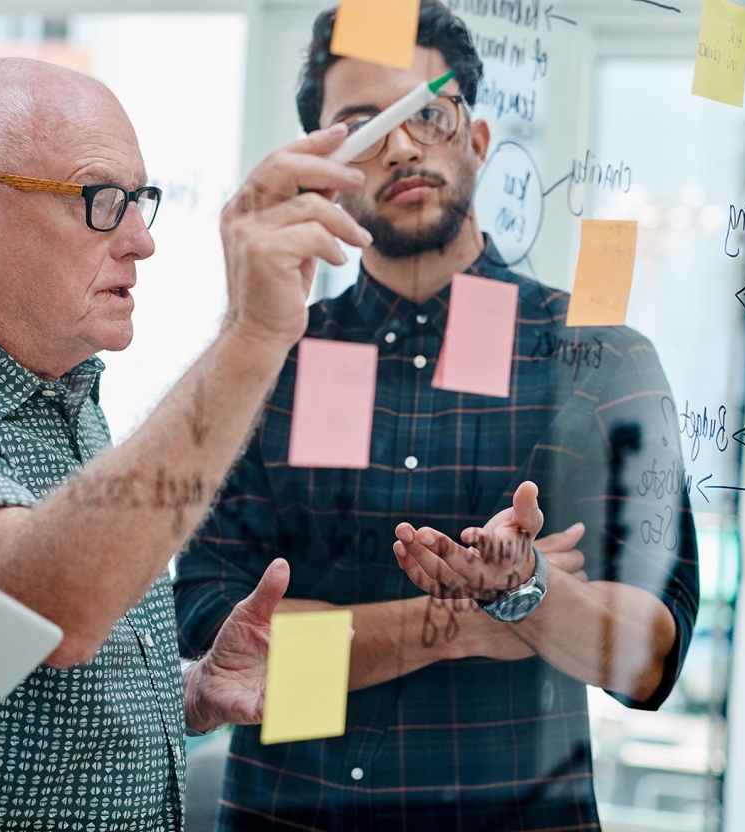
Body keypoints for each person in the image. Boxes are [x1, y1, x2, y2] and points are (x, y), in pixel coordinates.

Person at [0, 57, 372, 830]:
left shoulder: (69, 400)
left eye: (140, 201)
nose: (138, 241)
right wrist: (251, 335)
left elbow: (24, 682)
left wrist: (188, 691)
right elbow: (50, 609)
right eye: (101, 200)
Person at [174, 2, 701, 830]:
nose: (402, 145)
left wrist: (517, 591)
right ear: (325, 166)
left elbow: (642, 659)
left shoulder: (600, 360)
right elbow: (228, 645)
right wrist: (471, 622)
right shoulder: (265, 363)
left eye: (427, 112)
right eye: (362, 124)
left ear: (478, 141)